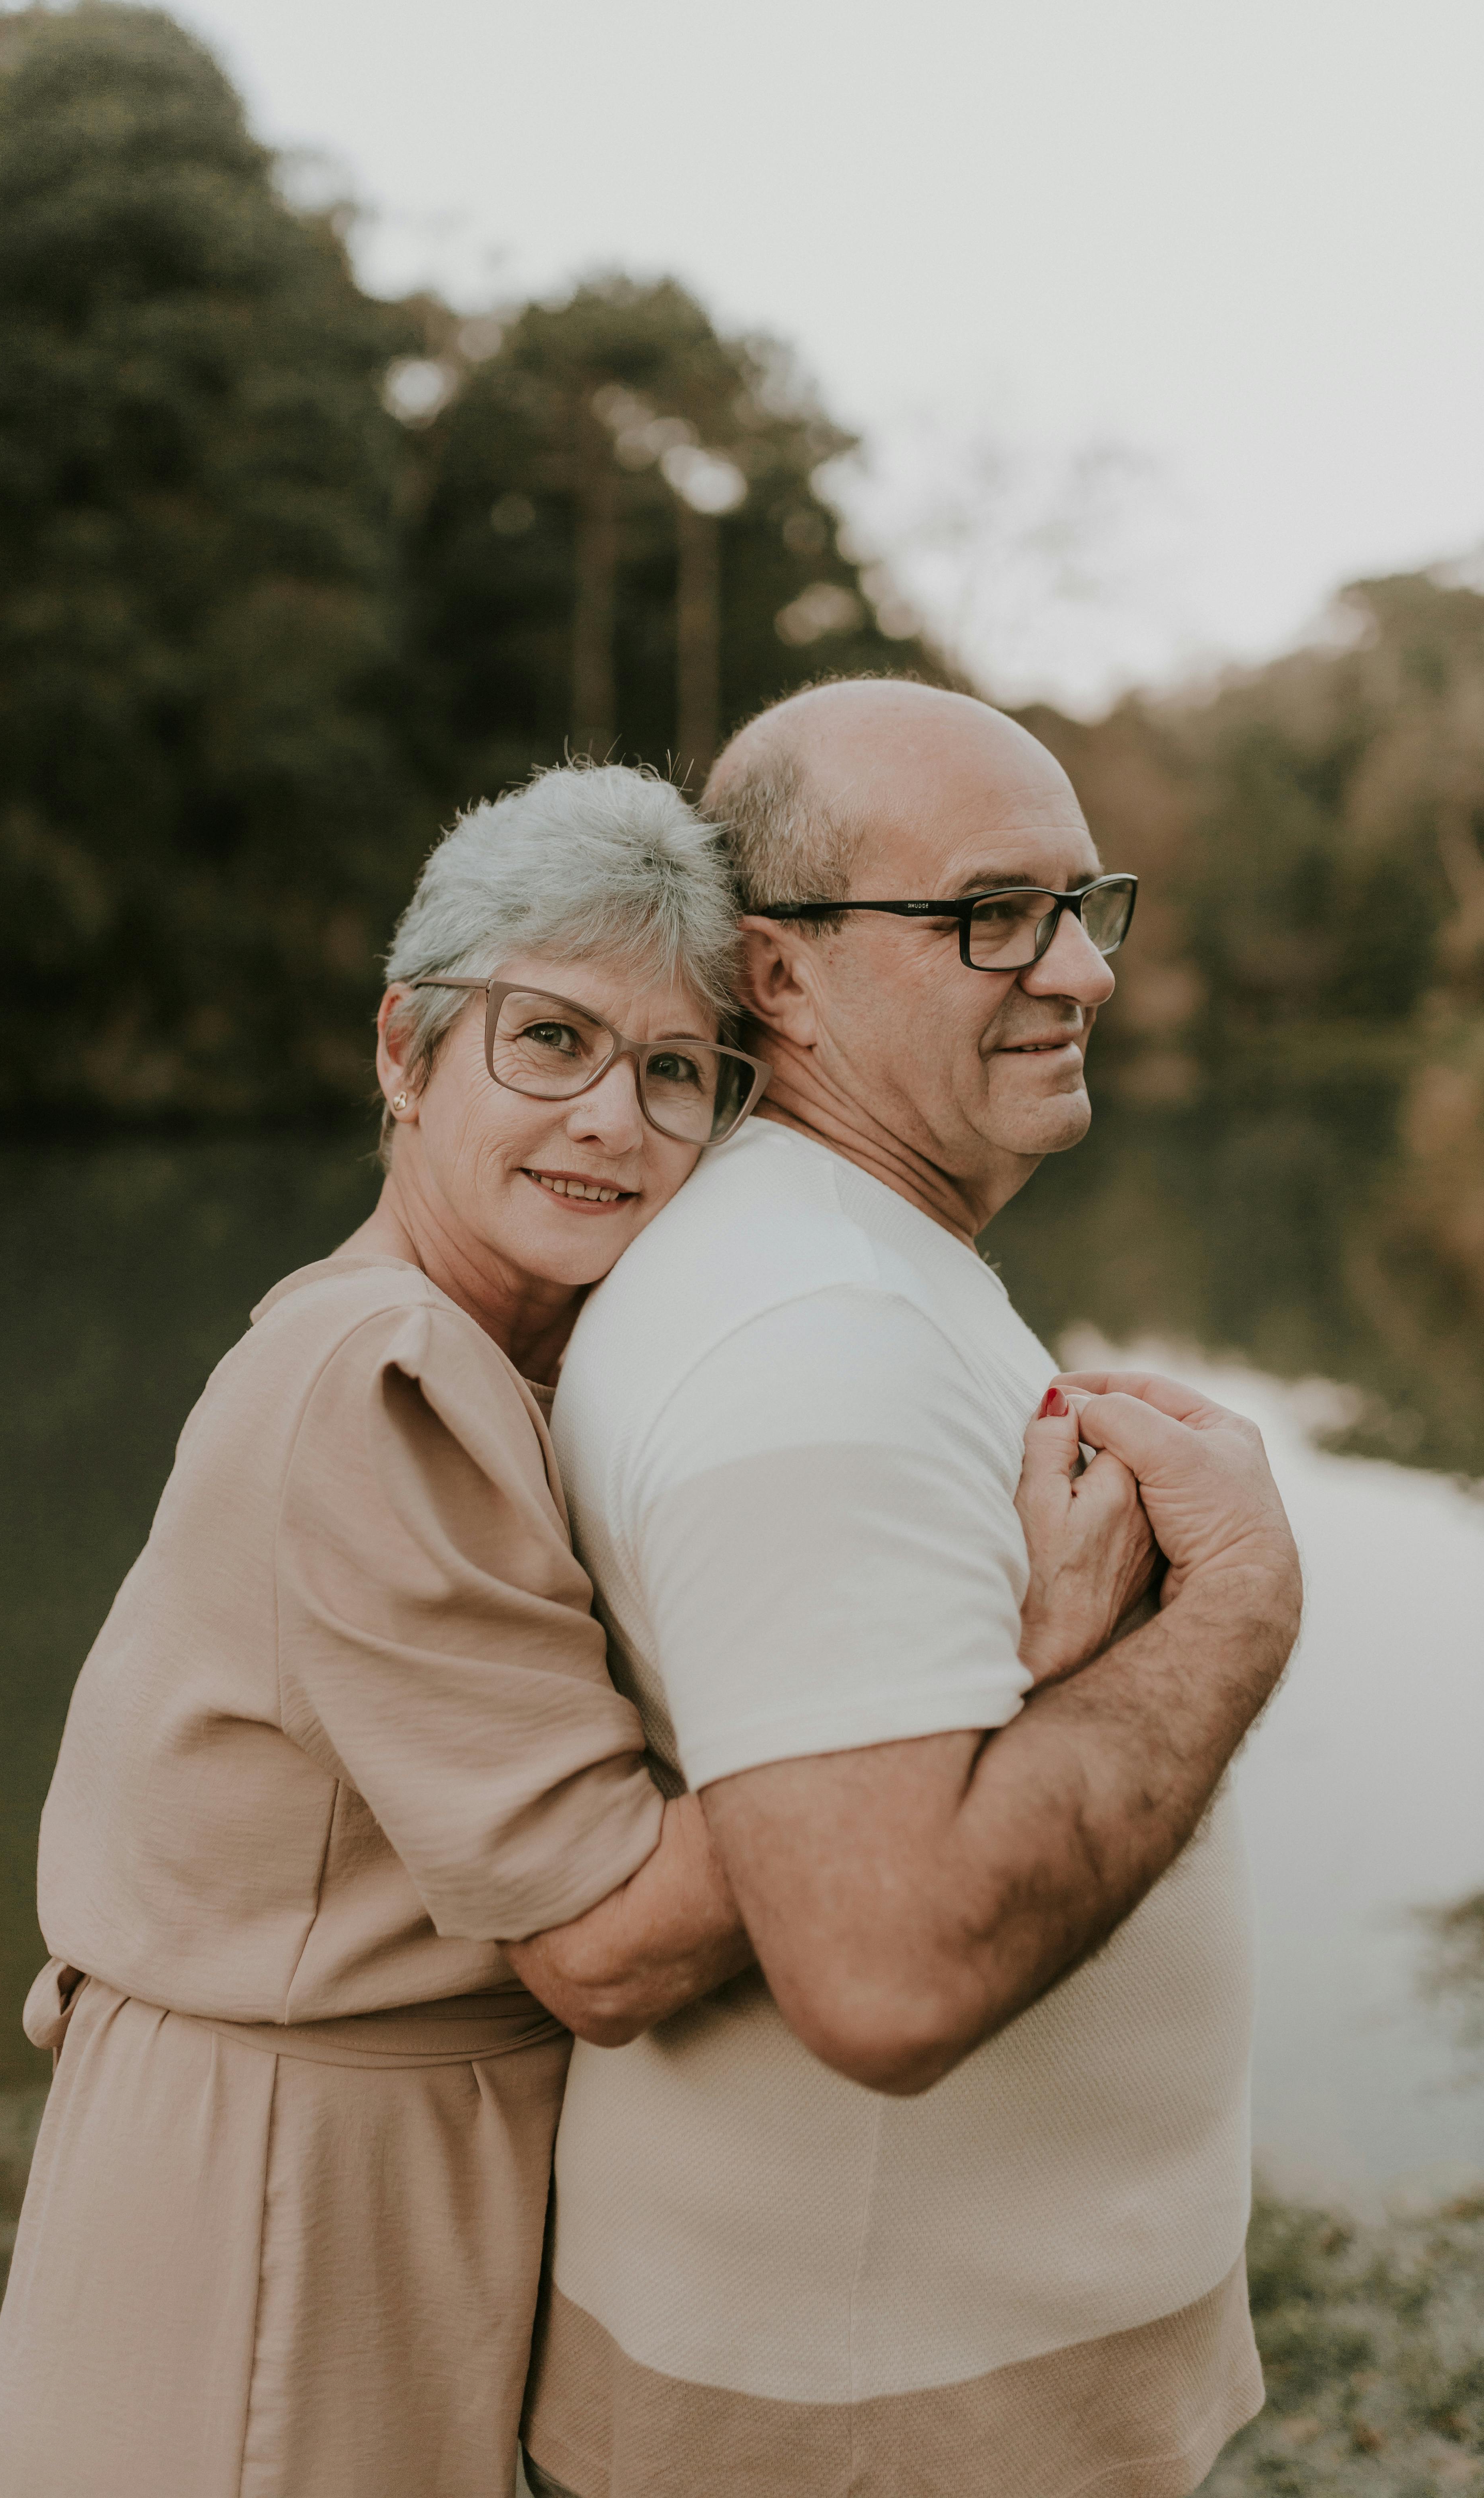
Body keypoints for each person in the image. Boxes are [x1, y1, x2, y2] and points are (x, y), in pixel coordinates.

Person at [521, 684, 1303, 2498]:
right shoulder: (811, 1334)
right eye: (984, 918)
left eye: (1078, 906)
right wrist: (1234, 1613)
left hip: (928, 2383)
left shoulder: (845, 1255)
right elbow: (883, 1970)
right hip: (874, 2419)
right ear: (775, 977)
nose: (1077, 973)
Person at [0, 764, 766, 2498]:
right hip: (274, 2219)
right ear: (405, 1054)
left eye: (670, 1073)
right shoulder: (377, 1374)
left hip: (339, 2180)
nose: (611, 1122)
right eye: (548, 1040)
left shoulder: (477, 1355)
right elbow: (606, 1930)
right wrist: (967, 1679)